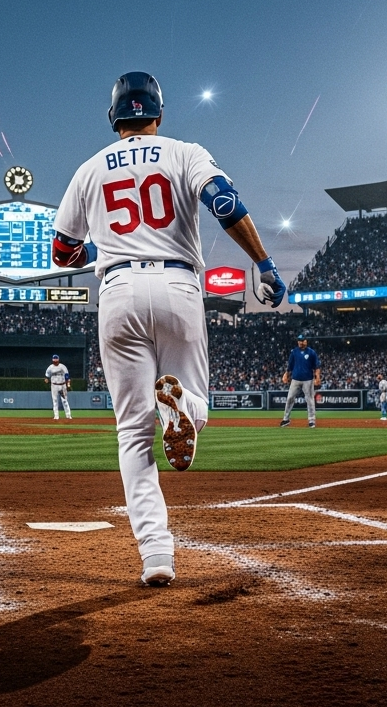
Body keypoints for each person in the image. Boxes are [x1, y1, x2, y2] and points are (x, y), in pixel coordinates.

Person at [53, 71, 284, 586]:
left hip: (116, 292)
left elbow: (61, 250)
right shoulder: (184, 152)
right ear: (158, 112)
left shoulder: (88, 169)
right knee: (196, 404)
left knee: (132, 435)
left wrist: (102, 244)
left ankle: (157, 555)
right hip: (178, 285)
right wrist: (264, 263)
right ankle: (183, 410)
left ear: (114, 117)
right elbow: (225, 203)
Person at [280, 334, 320, 428]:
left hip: (308, 380)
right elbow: (290, 365)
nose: (300, 342)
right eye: (299, 340)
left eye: (302, 340)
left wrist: (317, 377)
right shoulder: (294, 352)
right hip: (295, 379)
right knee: (290, 398)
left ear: (306, 341)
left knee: (309, 400)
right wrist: (286, 374)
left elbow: (317, 366)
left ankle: (311, 420)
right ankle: (286, 419)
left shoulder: (311, 352)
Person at [44, 354, 72, 421]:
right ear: (52, 360)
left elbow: (67, 376)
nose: (55, 360)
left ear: (58, 360)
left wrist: (68, 385)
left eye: (56, 359)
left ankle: (68, 415)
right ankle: (56, 416)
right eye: (54, 359)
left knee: (64, 401)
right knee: (55, 401)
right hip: (54, 386)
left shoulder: (62, 367)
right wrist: (46, 379)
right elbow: (47, 376)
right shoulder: (50, 367)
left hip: (62, 385)